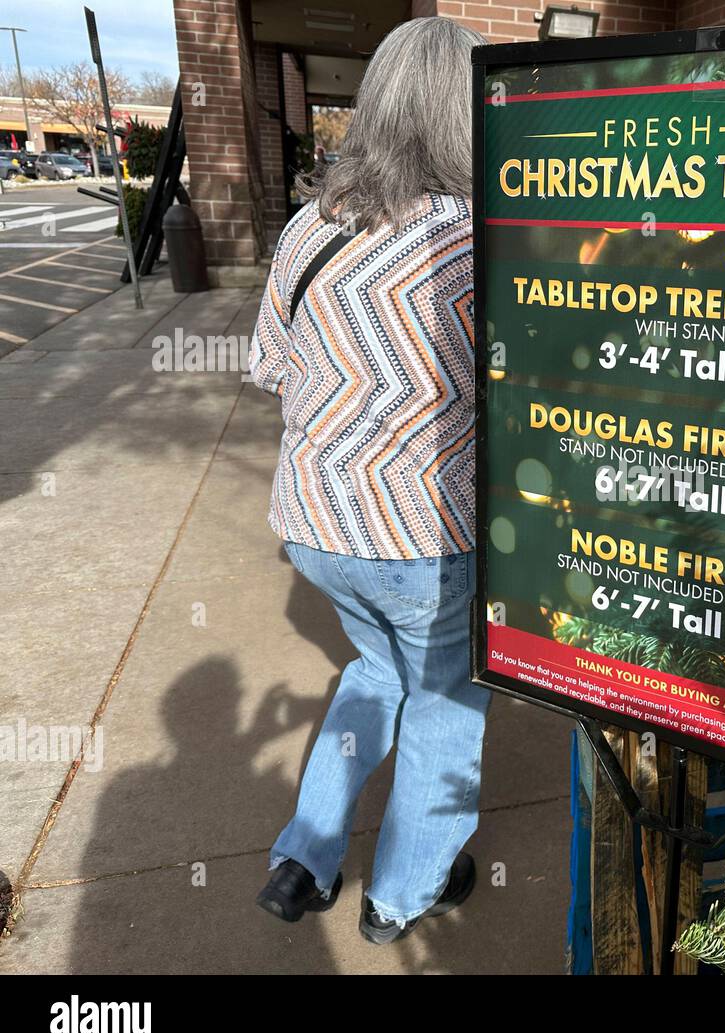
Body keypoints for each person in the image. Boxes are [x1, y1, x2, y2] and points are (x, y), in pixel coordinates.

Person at [247, 16, 490, 945]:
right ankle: (403, 890)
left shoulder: (312, 227)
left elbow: (272, 365)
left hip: (313, 523)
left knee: (375, 670)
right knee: (444, 701)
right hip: (423, 536)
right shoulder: (477, 241)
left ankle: (304, 858)